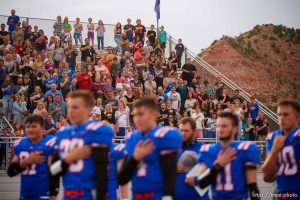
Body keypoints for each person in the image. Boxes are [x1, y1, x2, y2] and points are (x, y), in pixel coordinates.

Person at [49, 90, 114, 200]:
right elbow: (53, 170)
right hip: (68, 195)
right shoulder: (63, 134)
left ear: (88, 109)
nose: (71, 111)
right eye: (69, 107)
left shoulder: (97, 131)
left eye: (76, 107)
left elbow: (102, 174)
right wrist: (69, 158)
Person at [118, 97, 182, 199]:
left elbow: (170, 175)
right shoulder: (132, 138)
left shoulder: (165, 135)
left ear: (153, 114)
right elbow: (122, 179)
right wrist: (135, 158)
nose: (137, 119)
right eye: (135, 115)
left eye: (141, 114)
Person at [197, 112, 261, 200]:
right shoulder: (208, 150)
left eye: (224, 126)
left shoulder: (245, 149)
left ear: (235, 129)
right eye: (219, 126)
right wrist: (218, 165)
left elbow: (253, 187)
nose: (220, 129)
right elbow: (201, 184)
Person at [7, 115, 58, 200]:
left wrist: (53, 194)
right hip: (25, 193)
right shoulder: (21, 144)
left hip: (44, 193)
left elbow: (54, 174)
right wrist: (25, 162)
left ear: (42, 127)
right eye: (28, 127)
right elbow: (11, 172)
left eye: (34, 126)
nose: (30, 129)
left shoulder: (50, 143)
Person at [263, 100, 300, 199]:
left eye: (286, 114)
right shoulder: (273, 137)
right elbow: (267, 177)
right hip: (281, 193)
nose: (282, 118)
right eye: (279, 114)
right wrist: (275, 150)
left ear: (297, 117)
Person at [176, 117, 209, 200]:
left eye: (186, 131)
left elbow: (213, 173)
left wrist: (197, 180)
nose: (183, 133)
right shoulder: (172, 149)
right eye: (181, 130)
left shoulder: (204, 149)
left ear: (194, 131)